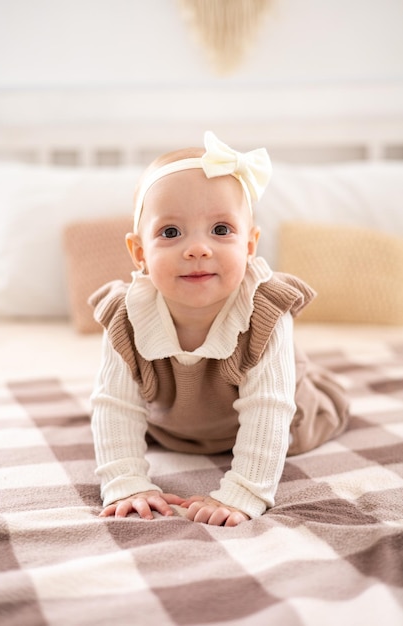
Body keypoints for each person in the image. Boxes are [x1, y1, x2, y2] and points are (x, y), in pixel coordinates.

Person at [89, 131, 349, 527]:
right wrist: (125, 482)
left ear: (250, 246)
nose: (198, 249)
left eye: (222, 230)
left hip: (286, 421)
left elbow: (269, 408)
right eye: (171, 232)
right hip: (177, 427)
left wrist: (242, 493)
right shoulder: (127, 316)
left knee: (293, 409)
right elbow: (115, 405)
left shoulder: (263, 311)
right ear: (140, 253)